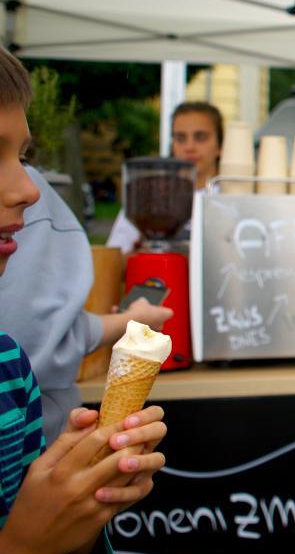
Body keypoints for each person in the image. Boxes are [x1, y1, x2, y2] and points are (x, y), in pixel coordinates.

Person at [0, 46, 169, 554]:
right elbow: (21, 552)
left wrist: (79, 507)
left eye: (22, 155)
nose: (30, 191)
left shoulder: (9, 367)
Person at [0, 163, 173, 445]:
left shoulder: (9, 354)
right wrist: (131, 321)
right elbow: (39, 335)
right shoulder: (8, 354)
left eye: (23, 156)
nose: (32, 191)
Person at [106, 101, 223, 254]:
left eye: (200, 137)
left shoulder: (233, 197)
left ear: (220, 146)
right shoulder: (148, 195)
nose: (189, 147)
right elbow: (114, 257)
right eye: (180, 138)